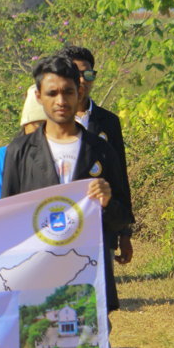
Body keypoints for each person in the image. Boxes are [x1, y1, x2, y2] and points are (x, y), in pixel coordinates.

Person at [0, 54, 125, 348]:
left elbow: (123, 208)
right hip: (35, 279)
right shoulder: (19, 151)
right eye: (51, 92)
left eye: (68, 91)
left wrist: (108, 200)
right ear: (38, 96)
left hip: (84, 279)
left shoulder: (101, 148)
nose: (61, 100)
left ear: (80, 91)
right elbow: (8, 216)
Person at [59, 45, 134, 313]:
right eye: (74, 74)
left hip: (99, 224)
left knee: (99, 296)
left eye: (87, 74)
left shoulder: (108, 122)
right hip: (58, 222)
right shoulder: (48, 121)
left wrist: (125, 231)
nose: (82, 81)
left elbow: (119, 176)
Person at [0, 87, 46, 205]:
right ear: (26, 124)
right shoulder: (1, 158)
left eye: (50, 125)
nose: (43, 132)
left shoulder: (69, 156)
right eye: (38, 124)